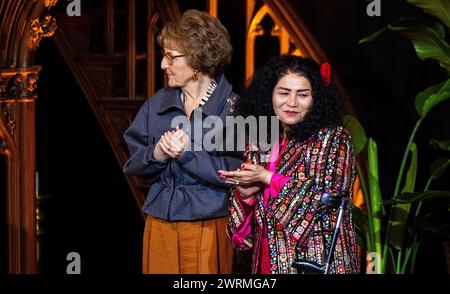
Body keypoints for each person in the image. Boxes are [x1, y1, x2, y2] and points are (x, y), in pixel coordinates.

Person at [123, 9, 242, 274]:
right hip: (160, 222)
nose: (163, 64)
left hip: (208, 223)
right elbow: (132, 165)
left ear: (198, 60)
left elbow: (236, 173)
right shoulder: (156, 105)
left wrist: (188, 154)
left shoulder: (233, 109)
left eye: (171, 56)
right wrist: (158, 153)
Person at [220, 55, 360, 274]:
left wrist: (267, 178)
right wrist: (246, 196)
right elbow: (242, 237)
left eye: (303, 95)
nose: (292, 102)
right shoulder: (262, 141)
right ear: (269, 95)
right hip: (265, 263)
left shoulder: (333, 137)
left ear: (316, 99)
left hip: (313, 263)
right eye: (283, 93)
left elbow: (327, 197)